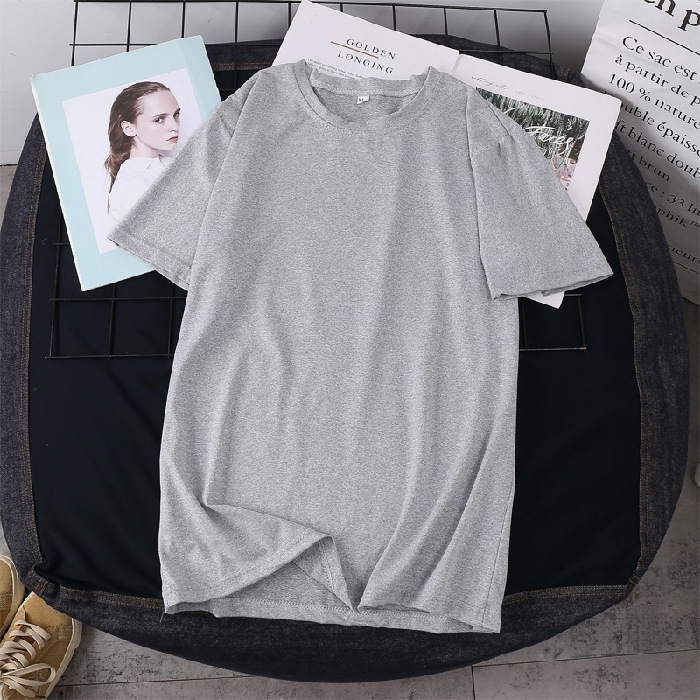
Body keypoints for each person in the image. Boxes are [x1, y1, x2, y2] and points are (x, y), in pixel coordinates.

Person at [105, 81, 181, 223]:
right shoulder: (130, 188)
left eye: (176, 115)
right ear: (129, 129)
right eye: (159, 119)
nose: (175, 126)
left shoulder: (174, 164)